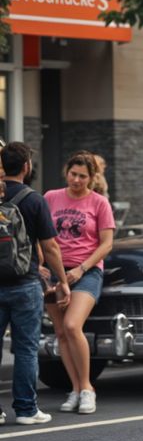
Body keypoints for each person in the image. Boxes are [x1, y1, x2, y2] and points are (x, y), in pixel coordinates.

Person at [0, 142, 69, 425]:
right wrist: (62, 280)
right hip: (25, 283)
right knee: (26, 348)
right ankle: (27, 410)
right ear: (27, 167)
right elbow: (50, 247)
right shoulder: (34, 200)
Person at [44, 152, 114, 415]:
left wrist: (82, 268)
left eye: (82, 176)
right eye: (73, 174)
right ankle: (74, 388)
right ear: (66, 172)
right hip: (54, 273)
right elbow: (41, 236)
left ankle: (87, 389)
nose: (76, 180)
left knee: (73, 326)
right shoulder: (50, 197)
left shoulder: (99, 203)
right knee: (61, 333)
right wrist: (43, 267)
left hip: (87, 272)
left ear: (92, 177)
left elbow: (107, 244)